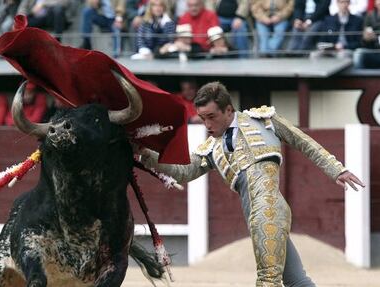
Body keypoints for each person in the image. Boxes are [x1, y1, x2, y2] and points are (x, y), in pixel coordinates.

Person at [136, 81, 364, 286]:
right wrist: (148, 155)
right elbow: (183, 172)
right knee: (295, 279)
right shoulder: (212, 148)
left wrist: (337, 169)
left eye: (211, 117)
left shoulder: (264, 121)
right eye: (202, 118)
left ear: (228, 110)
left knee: (267, 280)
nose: (206, 124)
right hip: (253, 214)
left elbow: (304, 142)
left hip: (268, 208)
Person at [353, 0, 380, 68]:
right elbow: (363, 41)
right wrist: (366, 38)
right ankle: (359, 78)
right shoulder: (370, 15)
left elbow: (375, 38)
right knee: (359, 53)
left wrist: (376, 38)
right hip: (373, 50)